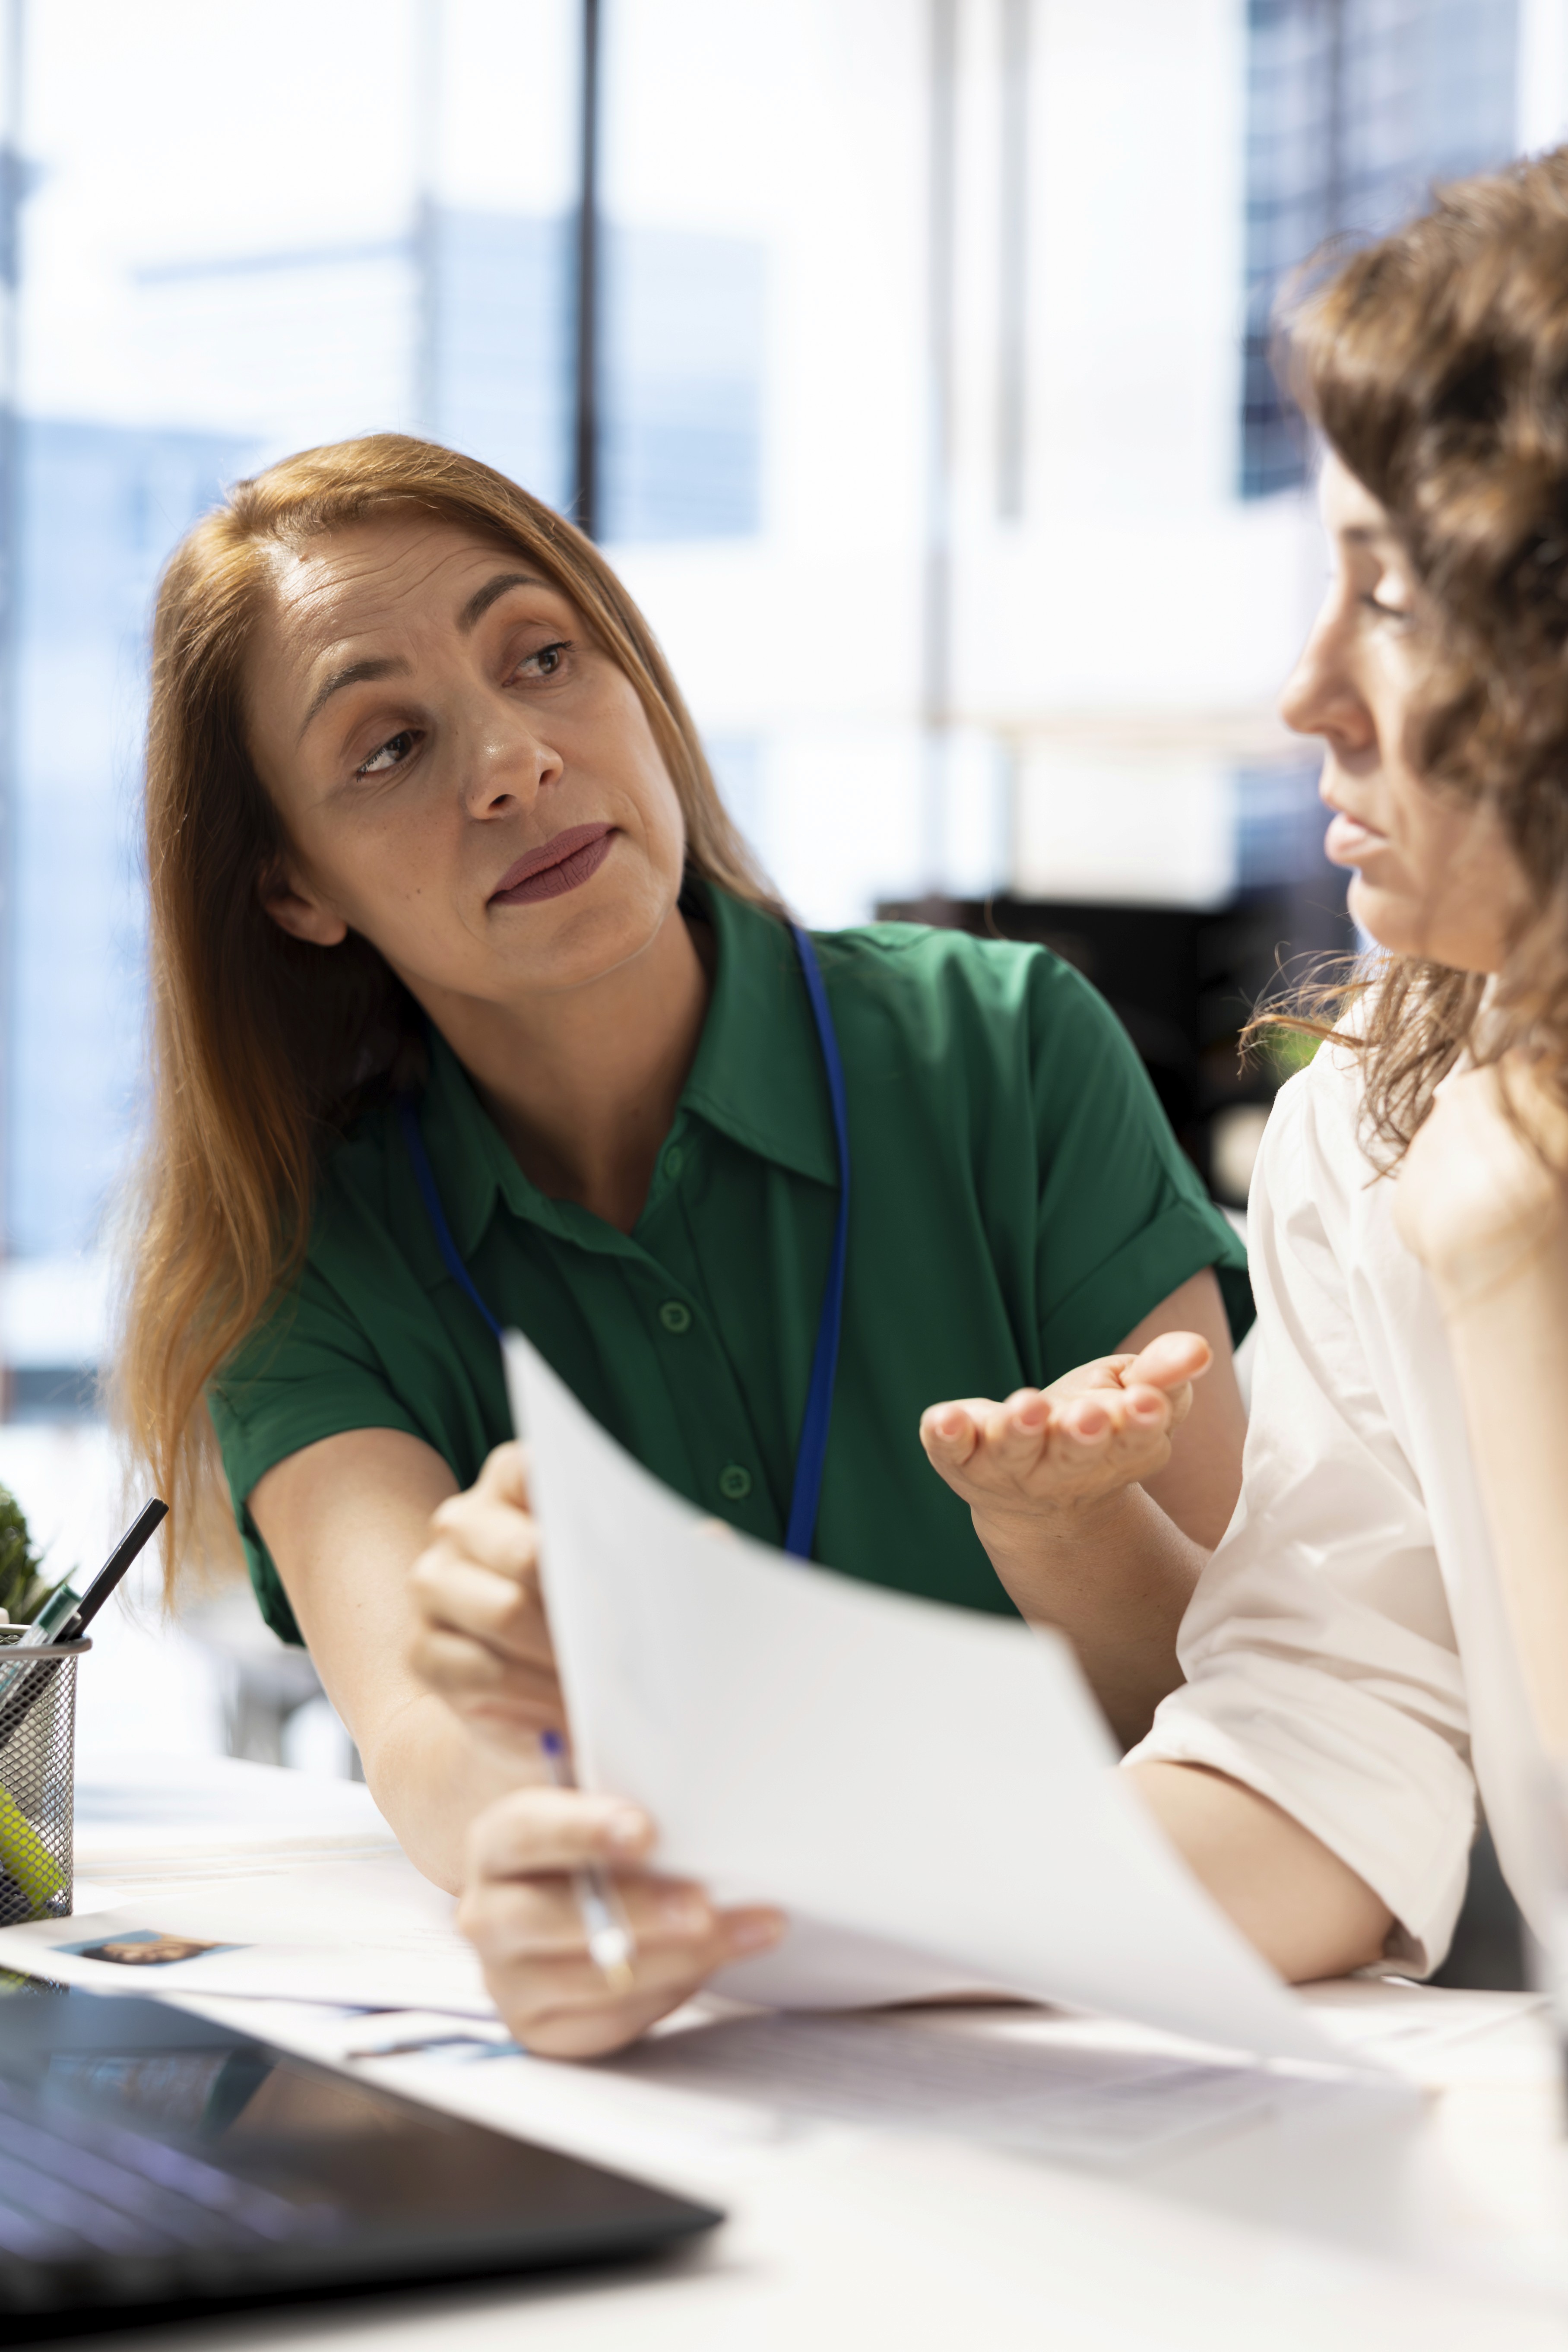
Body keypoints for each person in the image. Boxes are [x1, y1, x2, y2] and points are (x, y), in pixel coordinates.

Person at [117, 434, 1251, 2054]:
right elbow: (426, 1734)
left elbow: (1240, 1693)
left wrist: (1070, 1533)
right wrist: (541, 1852)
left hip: (1113, 2042)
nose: (511, 763)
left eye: (546, 657)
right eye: (386, 747)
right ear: (294, 889)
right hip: (707, 2064)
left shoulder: (1008, 1050)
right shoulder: (297, 1257)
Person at [1090, 149, 1568, 1983]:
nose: (1305, 692)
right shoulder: (1377, 1106)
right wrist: (804, 1917)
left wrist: (1515, 1270)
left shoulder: (1474, 1177)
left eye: (1386, 593)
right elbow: (1320, 1732)